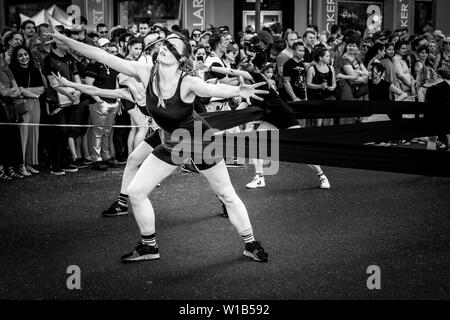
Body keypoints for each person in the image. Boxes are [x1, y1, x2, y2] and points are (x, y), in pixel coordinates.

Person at [48, 28, 270, 263]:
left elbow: (211, 89)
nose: (165, 47)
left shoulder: (187, 81)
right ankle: (149, 246)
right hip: (172, 141)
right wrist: (66, 40)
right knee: (136, 192)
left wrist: (237, 89)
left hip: (200, 141)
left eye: (172, 47)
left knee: (226, 194)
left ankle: (250, 243)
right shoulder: (145, 72)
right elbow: (102, 56)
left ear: (182, 58)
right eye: (165, 43)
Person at [9, 45, 44, 175]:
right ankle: (21, 165)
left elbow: (41, 88)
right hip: (22, 104)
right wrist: (33, 93)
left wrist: (27, 91)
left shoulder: (34, 69)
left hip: (35, 104)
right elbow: (19, 89)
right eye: (20, 55)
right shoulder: (13, 70)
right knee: (23, 135)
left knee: (33, 134)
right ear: (16, 58)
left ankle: (29, 163)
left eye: (25, 54)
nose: (24, 57)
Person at [306, 46, 337, 127]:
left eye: (329, 56)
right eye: (327, 56)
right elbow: (308, 84)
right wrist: (320, 86)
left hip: (329, 97)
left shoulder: (331, 68)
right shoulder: (312, 69)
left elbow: (334, 83)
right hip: (317, 98)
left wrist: (332, 87)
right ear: (320, 57)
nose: (329, 58)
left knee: (329, 122)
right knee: (318, 123)